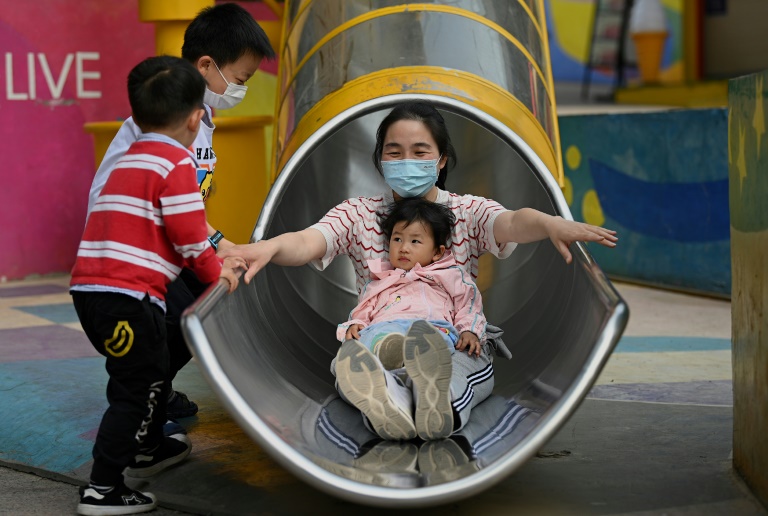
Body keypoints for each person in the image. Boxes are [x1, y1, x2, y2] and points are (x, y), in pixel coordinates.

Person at [222, 100, 617, 440]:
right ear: (380, 159)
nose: (406, 161)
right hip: (380, 335)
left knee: (458, 367)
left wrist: (550, 224)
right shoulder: (359, 214)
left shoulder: (465, 211)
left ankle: (431, 399)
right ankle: (390, 401)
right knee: (352, 365)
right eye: (394, 152)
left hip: (451, 338)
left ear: (441, 159)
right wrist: (269, 247)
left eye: (419, 151)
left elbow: (512, 222)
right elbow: (309, 241)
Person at [83, 3, 275, 428]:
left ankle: (156, 386)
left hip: (163, 242)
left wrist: (220, 246)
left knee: (204, 306)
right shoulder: (168, 122)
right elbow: (168, 202)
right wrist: (217, 250)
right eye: (240, 79)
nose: (240, 89)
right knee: (181, 315)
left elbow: (187, 203)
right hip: (133, 248)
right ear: (206, 66)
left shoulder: (201, 119)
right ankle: (142, 397)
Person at [71, 55, 245, 515]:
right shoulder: (176, 163)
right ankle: (103, 488)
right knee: (135, 389)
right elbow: (190, 236)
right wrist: (217, 272)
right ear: (194, 118)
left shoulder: (128, 158)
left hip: (91, 292)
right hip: (129, 297)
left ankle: (147, 447)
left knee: (144, 376)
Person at [335, 196, 488, 440]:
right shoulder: (380, 281)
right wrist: (355, 325)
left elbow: (468, 304)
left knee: (432, 339)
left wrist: (469, 330)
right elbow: (363, 310)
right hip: (385, 329)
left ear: (438, 252)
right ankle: (390, 363)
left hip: (431, 329)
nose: (403, 248)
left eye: (415, 241)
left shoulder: (449, 276)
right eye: (397, 239)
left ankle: (420, 369)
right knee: (359, 349)